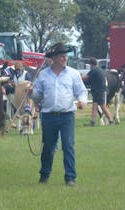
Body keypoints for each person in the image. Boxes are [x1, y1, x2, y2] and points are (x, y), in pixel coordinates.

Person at [29, 42, 88, 186]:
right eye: (61, 56)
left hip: (67, 115)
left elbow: (82, 91)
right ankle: (44, 175)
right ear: (53, 58)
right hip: (48, 116)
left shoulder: (73, 74)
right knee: (48, 147)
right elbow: (39, 97)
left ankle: (70, 178)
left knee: (68, 146)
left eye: (65, 56)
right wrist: (31, 93)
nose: (64, 58)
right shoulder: (43, 75)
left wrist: (82, 101)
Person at [82, 57, 114, 126]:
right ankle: (92, 122)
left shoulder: (94, 70)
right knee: (95, 106)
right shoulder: (99, 70)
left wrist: (77, 78)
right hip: (98, 91)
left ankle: (111, 121)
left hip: (99, 91)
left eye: (90, 64)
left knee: (103, 106)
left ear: (91, 64)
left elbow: (85, 78)